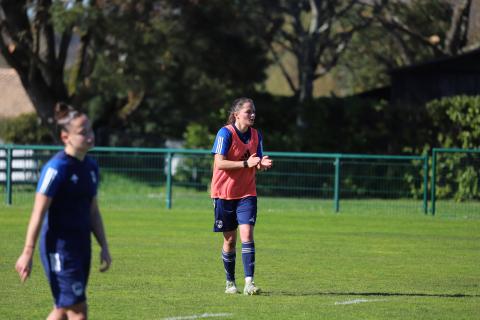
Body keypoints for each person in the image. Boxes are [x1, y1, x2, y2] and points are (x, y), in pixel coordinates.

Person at [15, 102, 112, 320]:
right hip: (60, 250)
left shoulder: (91, 167)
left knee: (62, 309)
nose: (89, 136)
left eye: (90, 130)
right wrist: (27, 251)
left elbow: (93, 211)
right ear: (65, 137)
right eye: (82, 132)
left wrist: (103, 246)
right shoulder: (56, 168)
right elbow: (38, 212)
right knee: (78, 312)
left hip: (81, 247)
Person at [210, 97, 273, 295]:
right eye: (248, 111)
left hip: (247, 193)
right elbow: (219, 163)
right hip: (223, 193)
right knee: (229, 240)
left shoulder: (256, 135)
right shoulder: (224, 133)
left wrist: (262, 164)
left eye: (254, 111)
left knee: (247, 235)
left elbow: (257, 160)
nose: (252, 115)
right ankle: (230, 282)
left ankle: (249, 283)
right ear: (236, 114)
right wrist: (247, 164)